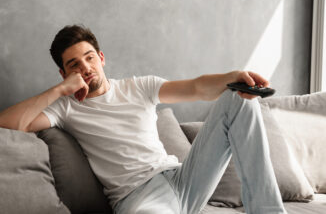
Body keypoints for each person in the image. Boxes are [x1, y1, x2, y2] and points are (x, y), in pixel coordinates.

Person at [0, 25, 287, 214]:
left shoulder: (139, 86)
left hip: (183, 177)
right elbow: (11, 122)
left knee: (238, 97)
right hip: (138, 197)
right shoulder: (64, 108)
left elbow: (197, 87)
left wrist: (232, 78)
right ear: (65, 73)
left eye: (89, 58)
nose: (86, 68)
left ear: (101, 57)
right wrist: (59, 90)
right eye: (74, 65)